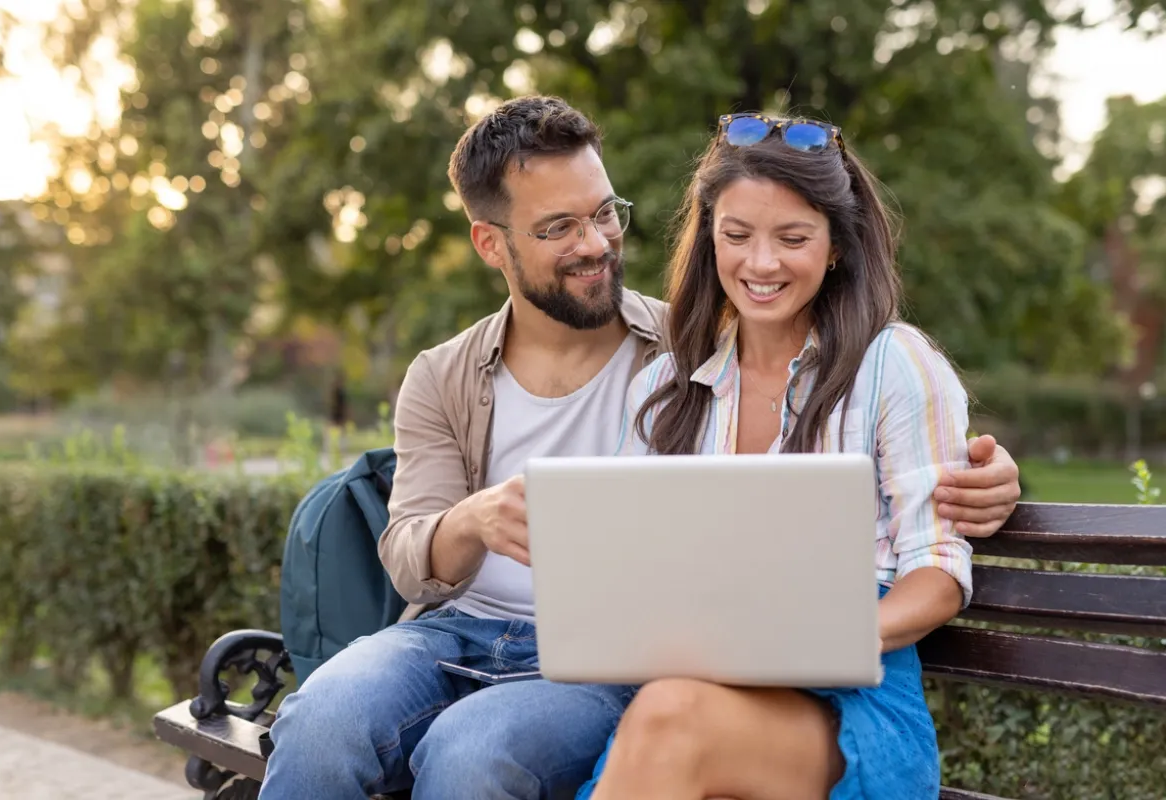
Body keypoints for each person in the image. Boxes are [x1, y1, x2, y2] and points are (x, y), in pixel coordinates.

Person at [258, 97, 1022, 800]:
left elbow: (930, 543)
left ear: (834, 249)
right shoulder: (660, 380)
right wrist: (474, 520)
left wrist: (989, 476)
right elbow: (417, 553)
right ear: (491, 244)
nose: (593, 244)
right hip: (517, 641)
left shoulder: (703, 350)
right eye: (558, 228)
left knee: (480, 752)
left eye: (604, 214)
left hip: (759, 682)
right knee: (319, 723)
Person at [576, 113, 981, 800]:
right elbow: (631, 575)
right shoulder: (665, 389)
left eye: (793, 239)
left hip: (851, 709)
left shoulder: (895, 365)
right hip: (696, 694)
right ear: (709, 239)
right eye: (736, 235)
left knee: (670, 719)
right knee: (668, 713)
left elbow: (938, 575)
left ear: (836, 249)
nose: (760, 264)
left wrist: (802, 641)